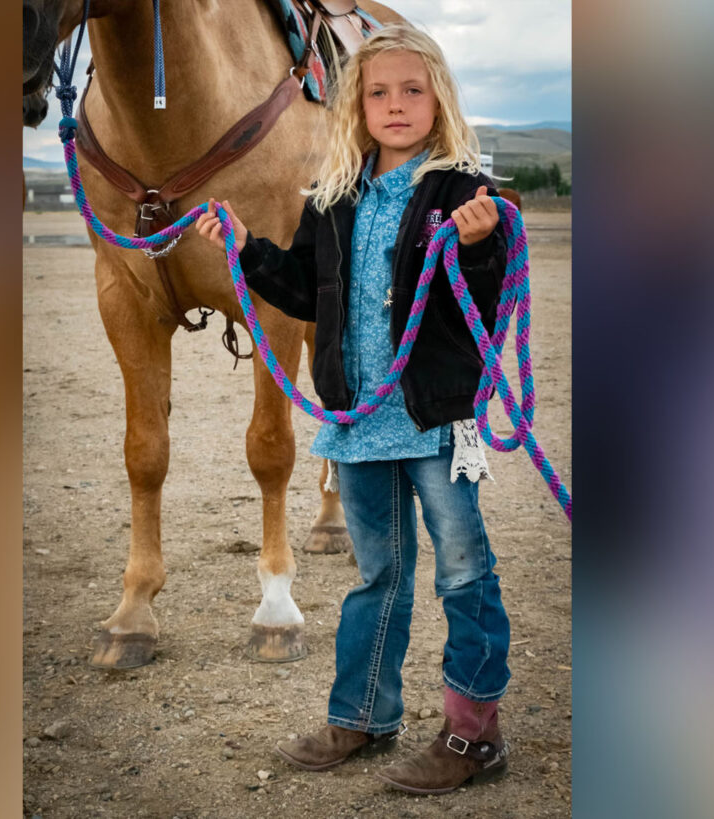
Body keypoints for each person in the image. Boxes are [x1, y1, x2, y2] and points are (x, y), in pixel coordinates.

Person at [195, 23, 510, 796]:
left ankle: (474, 736)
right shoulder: (334, 196)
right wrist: (244, 248)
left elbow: (488, 295)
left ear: (438, 97)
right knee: (379, 572)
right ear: (357, 106)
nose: (396, 104)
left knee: (464, 572)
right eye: (378, 92)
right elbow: (306, 290)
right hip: (359, 425)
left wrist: (475, 245)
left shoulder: (466, 191)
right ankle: (365, 713)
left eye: (412, 89)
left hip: (433, 419)